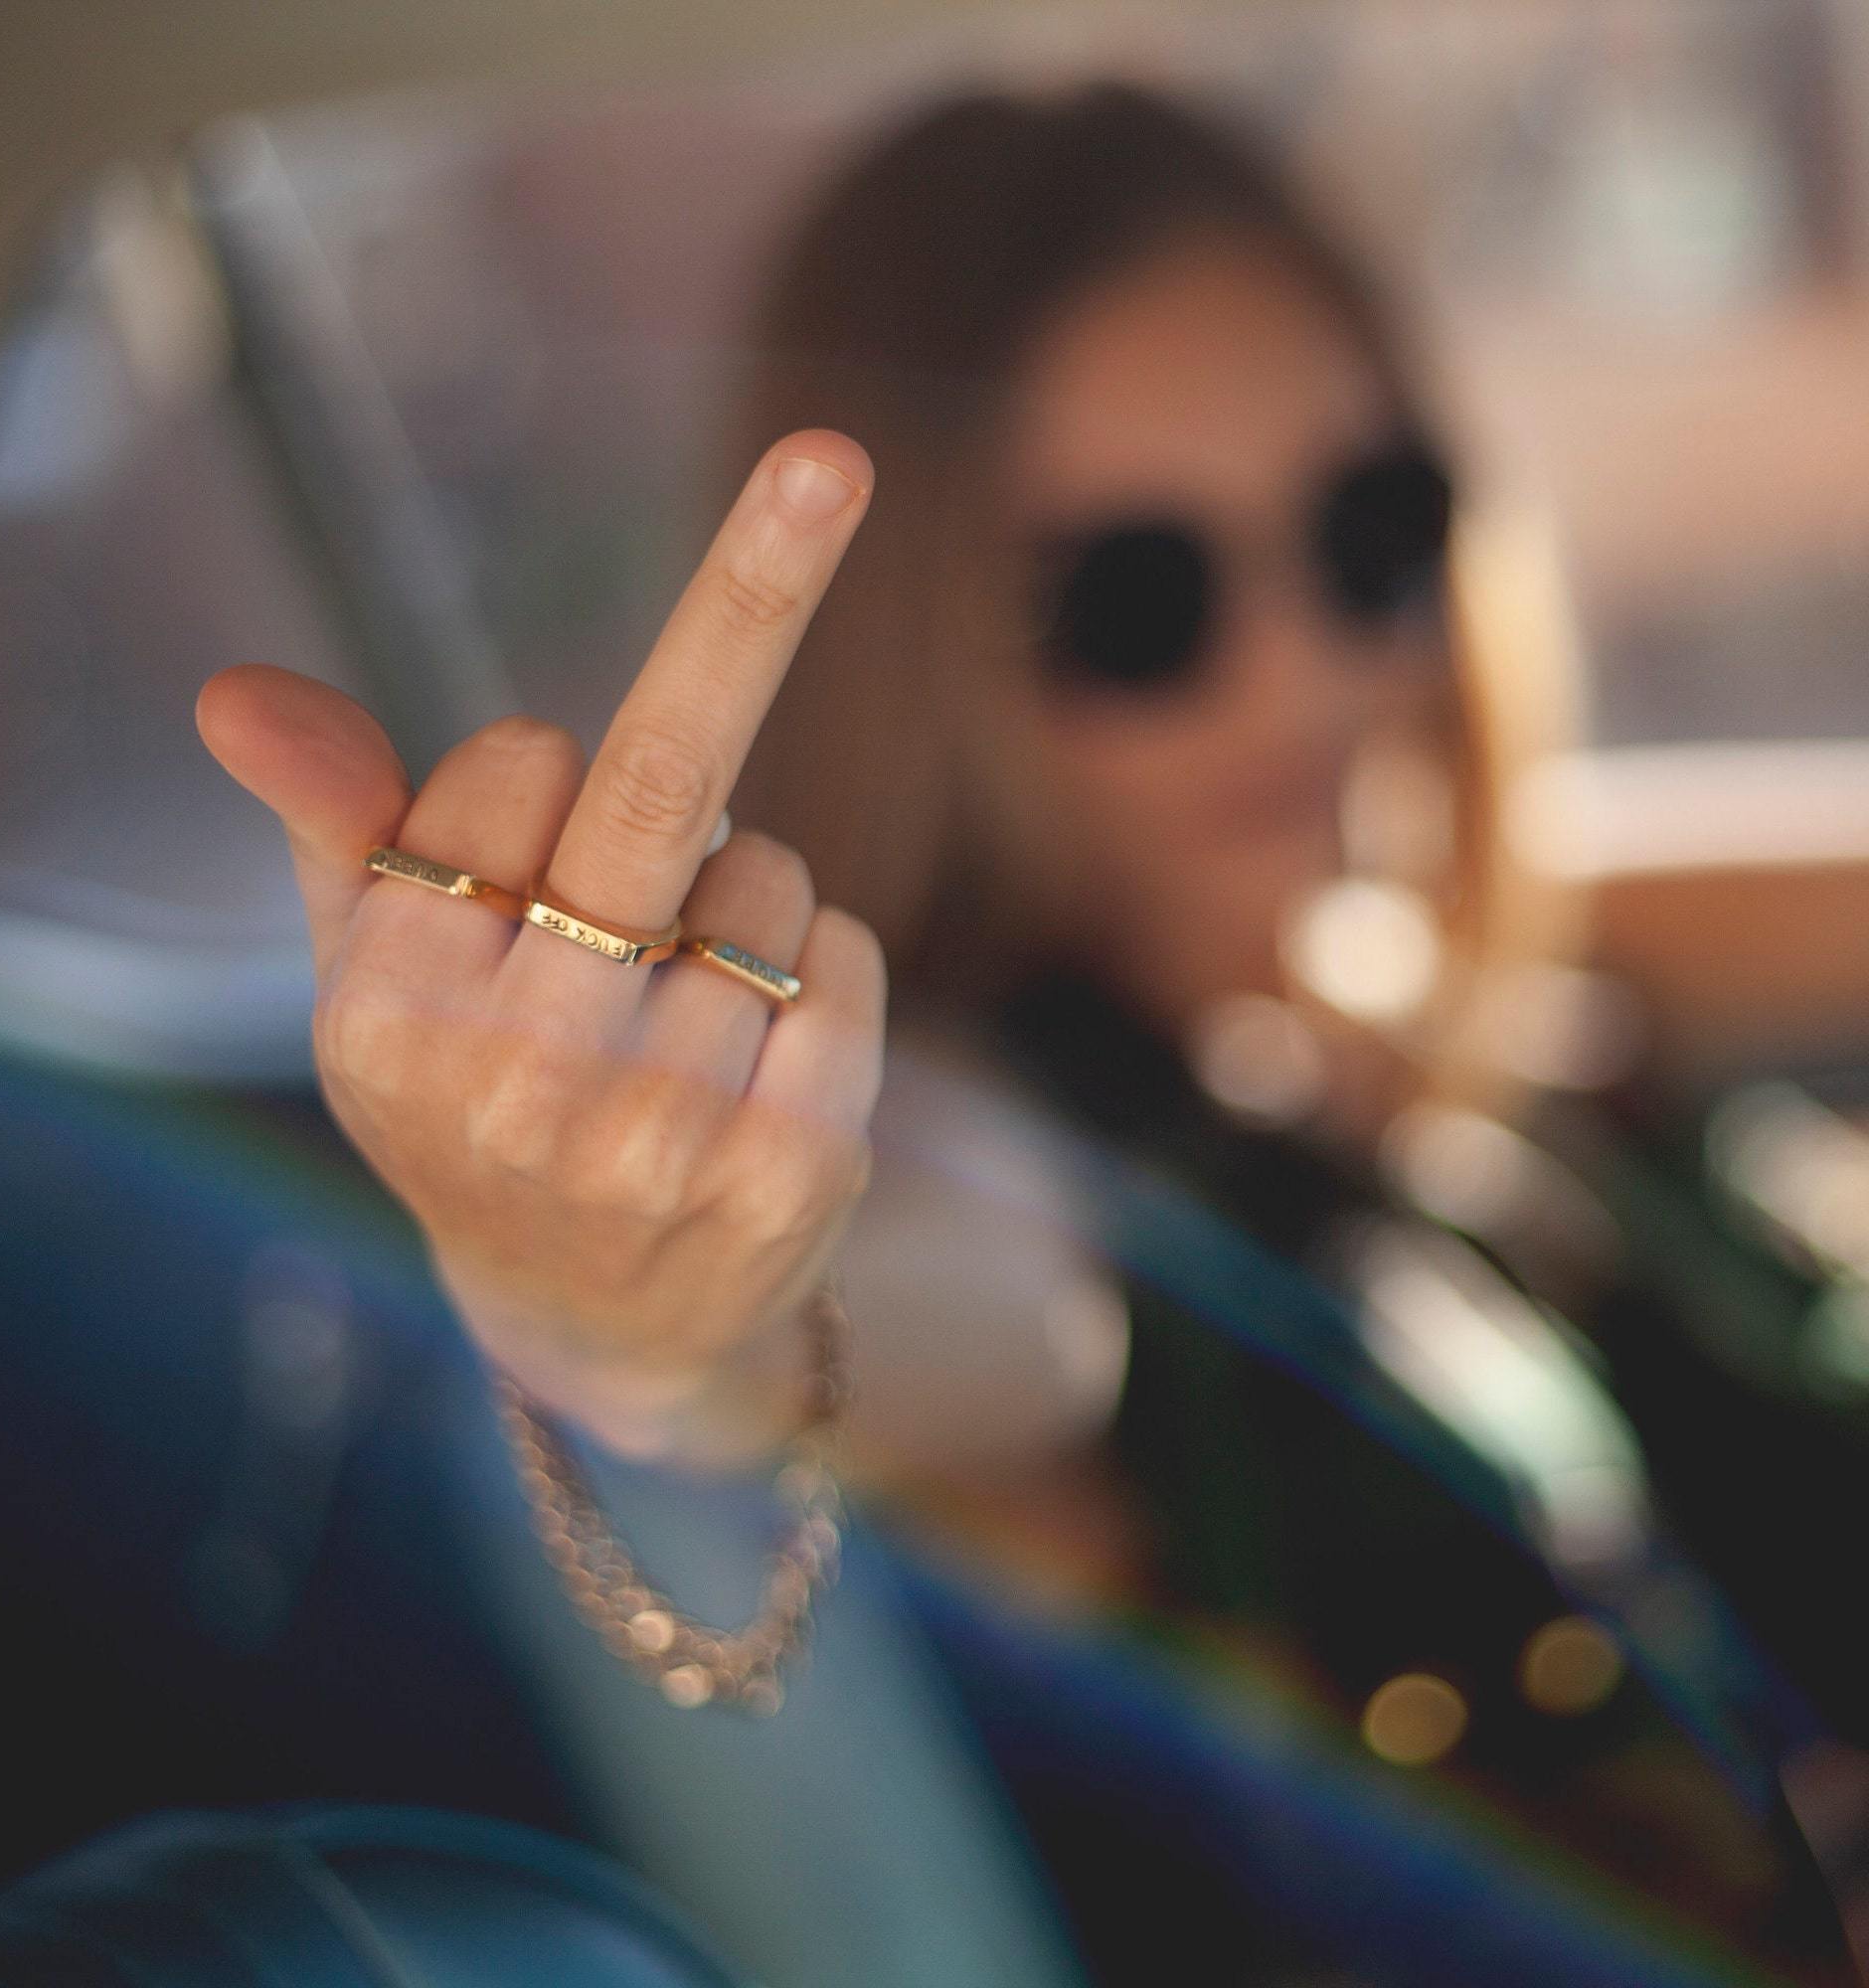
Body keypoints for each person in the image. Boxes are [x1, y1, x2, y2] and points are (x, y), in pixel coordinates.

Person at [192, 79, 1863, 1985]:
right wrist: (664, 1331)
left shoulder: (1454, 990)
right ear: (928, 651)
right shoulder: (991, 1128)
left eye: (1371, 530)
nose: (1305, 669)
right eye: (1137, 602)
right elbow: (947, 1302)